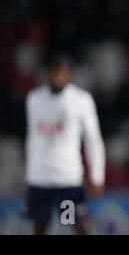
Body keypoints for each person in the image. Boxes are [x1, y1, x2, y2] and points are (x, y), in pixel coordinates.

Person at [24, 53, 105, 235]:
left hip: (67, 178)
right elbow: (31, 139)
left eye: (63, 72)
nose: (59, 76)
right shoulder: (34, 99)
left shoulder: (81, 100)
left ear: (70, 75)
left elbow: (93, 140)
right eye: (55, 71)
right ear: (48, 73)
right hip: (39, 178)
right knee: (39, 228)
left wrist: (97, 174)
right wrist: (29, 173)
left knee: (78, 225)